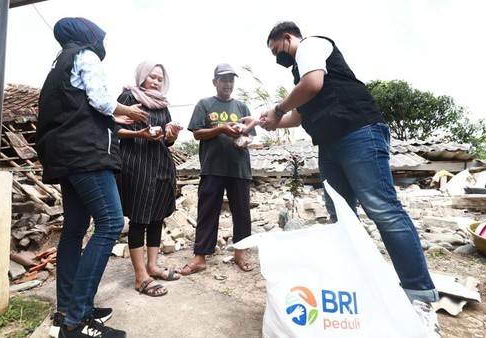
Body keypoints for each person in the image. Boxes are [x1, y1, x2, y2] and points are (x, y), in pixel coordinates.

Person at [260, 21, 441, 337]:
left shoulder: (311, 45)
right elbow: (299, 115)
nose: (279, 57)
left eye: (277, 50)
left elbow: (314, 83)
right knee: (341, 217)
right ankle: (362, 284)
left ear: (287, 38)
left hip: (358, 133)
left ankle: (420, 298)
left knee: (383, 209)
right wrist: (270, 121)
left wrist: (277, 108)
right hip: (329, 144)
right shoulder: (298, 72)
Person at [36, 17, 148, 338]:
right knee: (111, 223)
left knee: (73, 230)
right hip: (86, 154)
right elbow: (99, 101)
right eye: (100, 38)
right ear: (88, 36)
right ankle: (77, 319)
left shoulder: (58, 63)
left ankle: (66, 309)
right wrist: (130, 112)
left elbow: (74, 108)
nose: (102, 44)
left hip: (65, 156)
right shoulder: (85, 56)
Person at [180, 63, 257, 276]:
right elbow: (196, 133)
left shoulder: (242, 108)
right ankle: (200, 257)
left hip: (239, 168)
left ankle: (240, 253)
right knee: (207, 213)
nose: (228, 84)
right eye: (223, 79)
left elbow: (251, 135)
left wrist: (243, 139)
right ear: (215, 82)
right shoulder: (205, 104)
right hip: (212, 167)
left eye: (231, 80)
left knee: (242, 213)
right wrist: (221, 129)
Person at [115, 60, 183, 297]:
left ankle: (153, 266)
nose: (155, 81)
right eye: (152, 76)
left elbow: (167, 138)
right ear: (142, 75)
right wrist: (139, 133)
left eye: (159, 78)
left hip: (161, 163)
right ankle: (140, 275)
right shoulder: (127, 98)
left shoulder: (162, 104)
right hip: (137, 163)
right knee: (140, 217)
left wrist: (171, 134)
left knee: (156, 216)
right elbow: (112, 129)